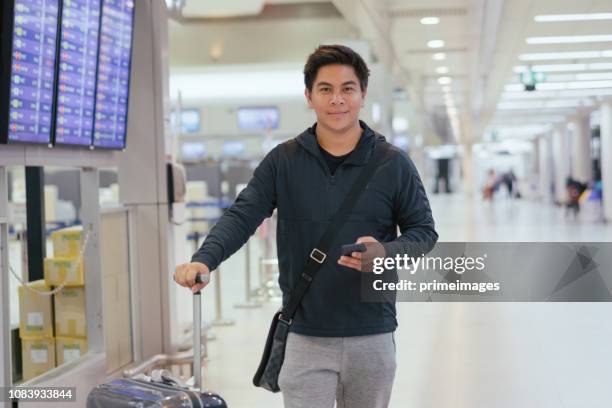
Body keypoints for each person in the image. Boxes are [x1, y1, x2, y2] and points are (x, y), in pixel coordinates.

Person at [174, 44, 438, 408]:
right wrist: (205, 259)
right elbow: (243, 214)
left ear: (362, 95)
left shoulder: (392, 164)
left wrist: (386, 253)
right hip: (305, 334)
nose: (337, 99)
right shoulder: (284, 161)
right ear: (309, 97)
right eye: (325, 89)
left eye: (347, 89)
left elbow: (424, 233)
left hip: (371, 333)